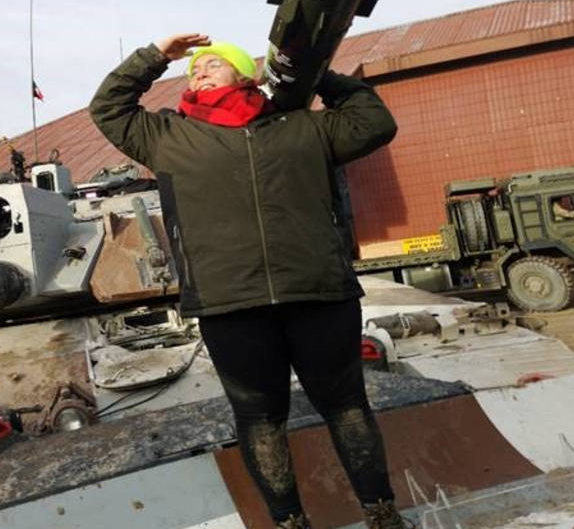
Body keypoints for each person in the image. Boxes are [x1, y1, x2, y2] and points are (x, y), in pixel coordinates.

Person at [90, 33, 405, 529]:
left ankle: (382, 513)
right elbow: (108, 108)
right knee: (261, 419)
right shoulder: (167, 136)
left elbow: (375, 123)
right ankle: (289, 522)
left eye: (214, 64)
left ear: (246, 74)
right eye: (194, 69)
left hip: (318, 291)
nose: (200, 71)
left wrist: (315, 72)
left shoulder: (302, 127)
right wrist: (156, 57)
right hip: (229, 304)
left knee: (346, 405)